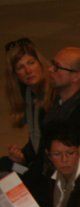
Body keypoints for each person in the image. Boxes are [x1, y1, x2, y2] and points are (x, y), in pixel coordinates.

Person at [26, 46, 80, 205]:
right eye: (52, 64)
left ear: (76, 76)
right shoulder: (59, 101)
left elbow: (70, 172)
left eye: (57, 67)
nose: (50, 69)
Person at [2, 37, 53, 174]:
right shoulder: (29, 94)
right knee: (5, 163)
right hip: (36, 164)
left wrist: (25, 165)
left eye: (31, 63)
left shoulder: (52, 96)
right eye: (20, 67)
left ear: (40, 63)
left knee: (12, 171)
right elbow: (35, 142)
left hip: (50, 170)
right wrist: (21, 157)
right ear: (15, 75)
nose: (28, 70)